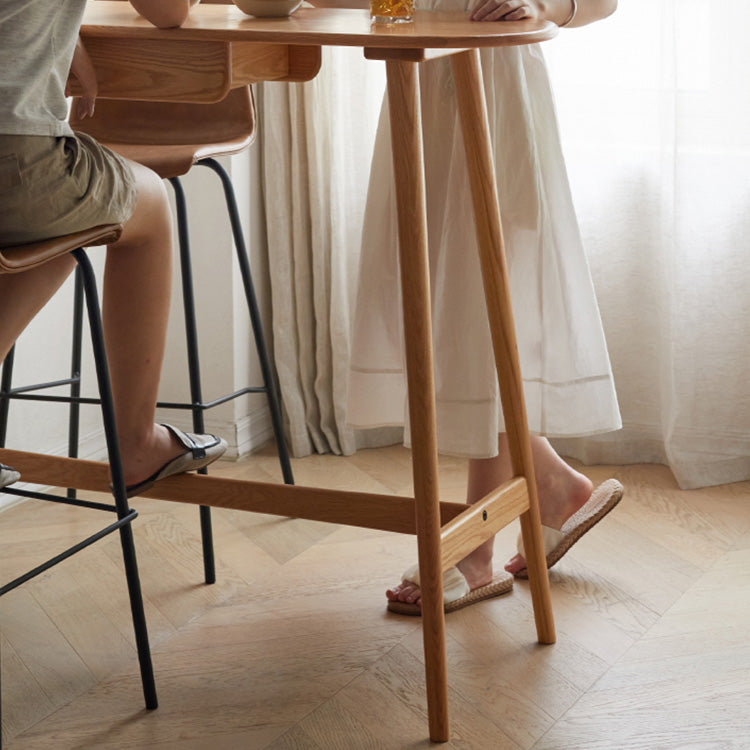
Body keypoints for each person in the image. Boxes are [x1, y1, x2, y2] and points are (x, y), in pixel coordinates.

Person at [343, 0, 625, 614]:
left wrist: (545, 4)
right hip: (419, 84)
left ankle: (477, 548)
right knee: (461, 318)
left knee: (486, 313)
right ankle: (551, 485)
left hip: (497, 93)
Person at [0, 0, 226, 499]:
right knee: (149, 203)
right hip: (14, 161)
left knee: (70, 218)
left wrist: (68, 31)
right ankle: (137, 444)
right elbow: (168, 13)